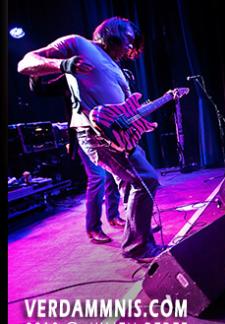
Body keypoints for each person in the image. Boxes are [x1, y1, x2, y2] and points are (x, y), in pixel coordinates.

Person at [18, 16, 162, 262]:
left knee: (130, 184)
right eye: (128, 40)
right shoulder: (77, 43)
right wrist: (63, 65)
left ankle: (139, 236)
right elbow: (26, 62)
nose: (130, 47)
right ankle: (136, 246)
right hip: (94, 133)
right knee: (144, 179)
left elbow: (124, 106)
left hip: (121, 134)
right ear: (112, 33)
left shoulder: (117, 67)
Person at [29, 73, 125, 245]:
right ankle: (93, 228)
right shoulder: (69, 76)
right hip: (82, 134)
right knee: (98, 177)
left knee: (111, 176)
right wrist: (36, 72)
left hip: (104, 132)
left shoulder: (101, 74)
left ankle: (113, 216)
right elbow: (40, 90)